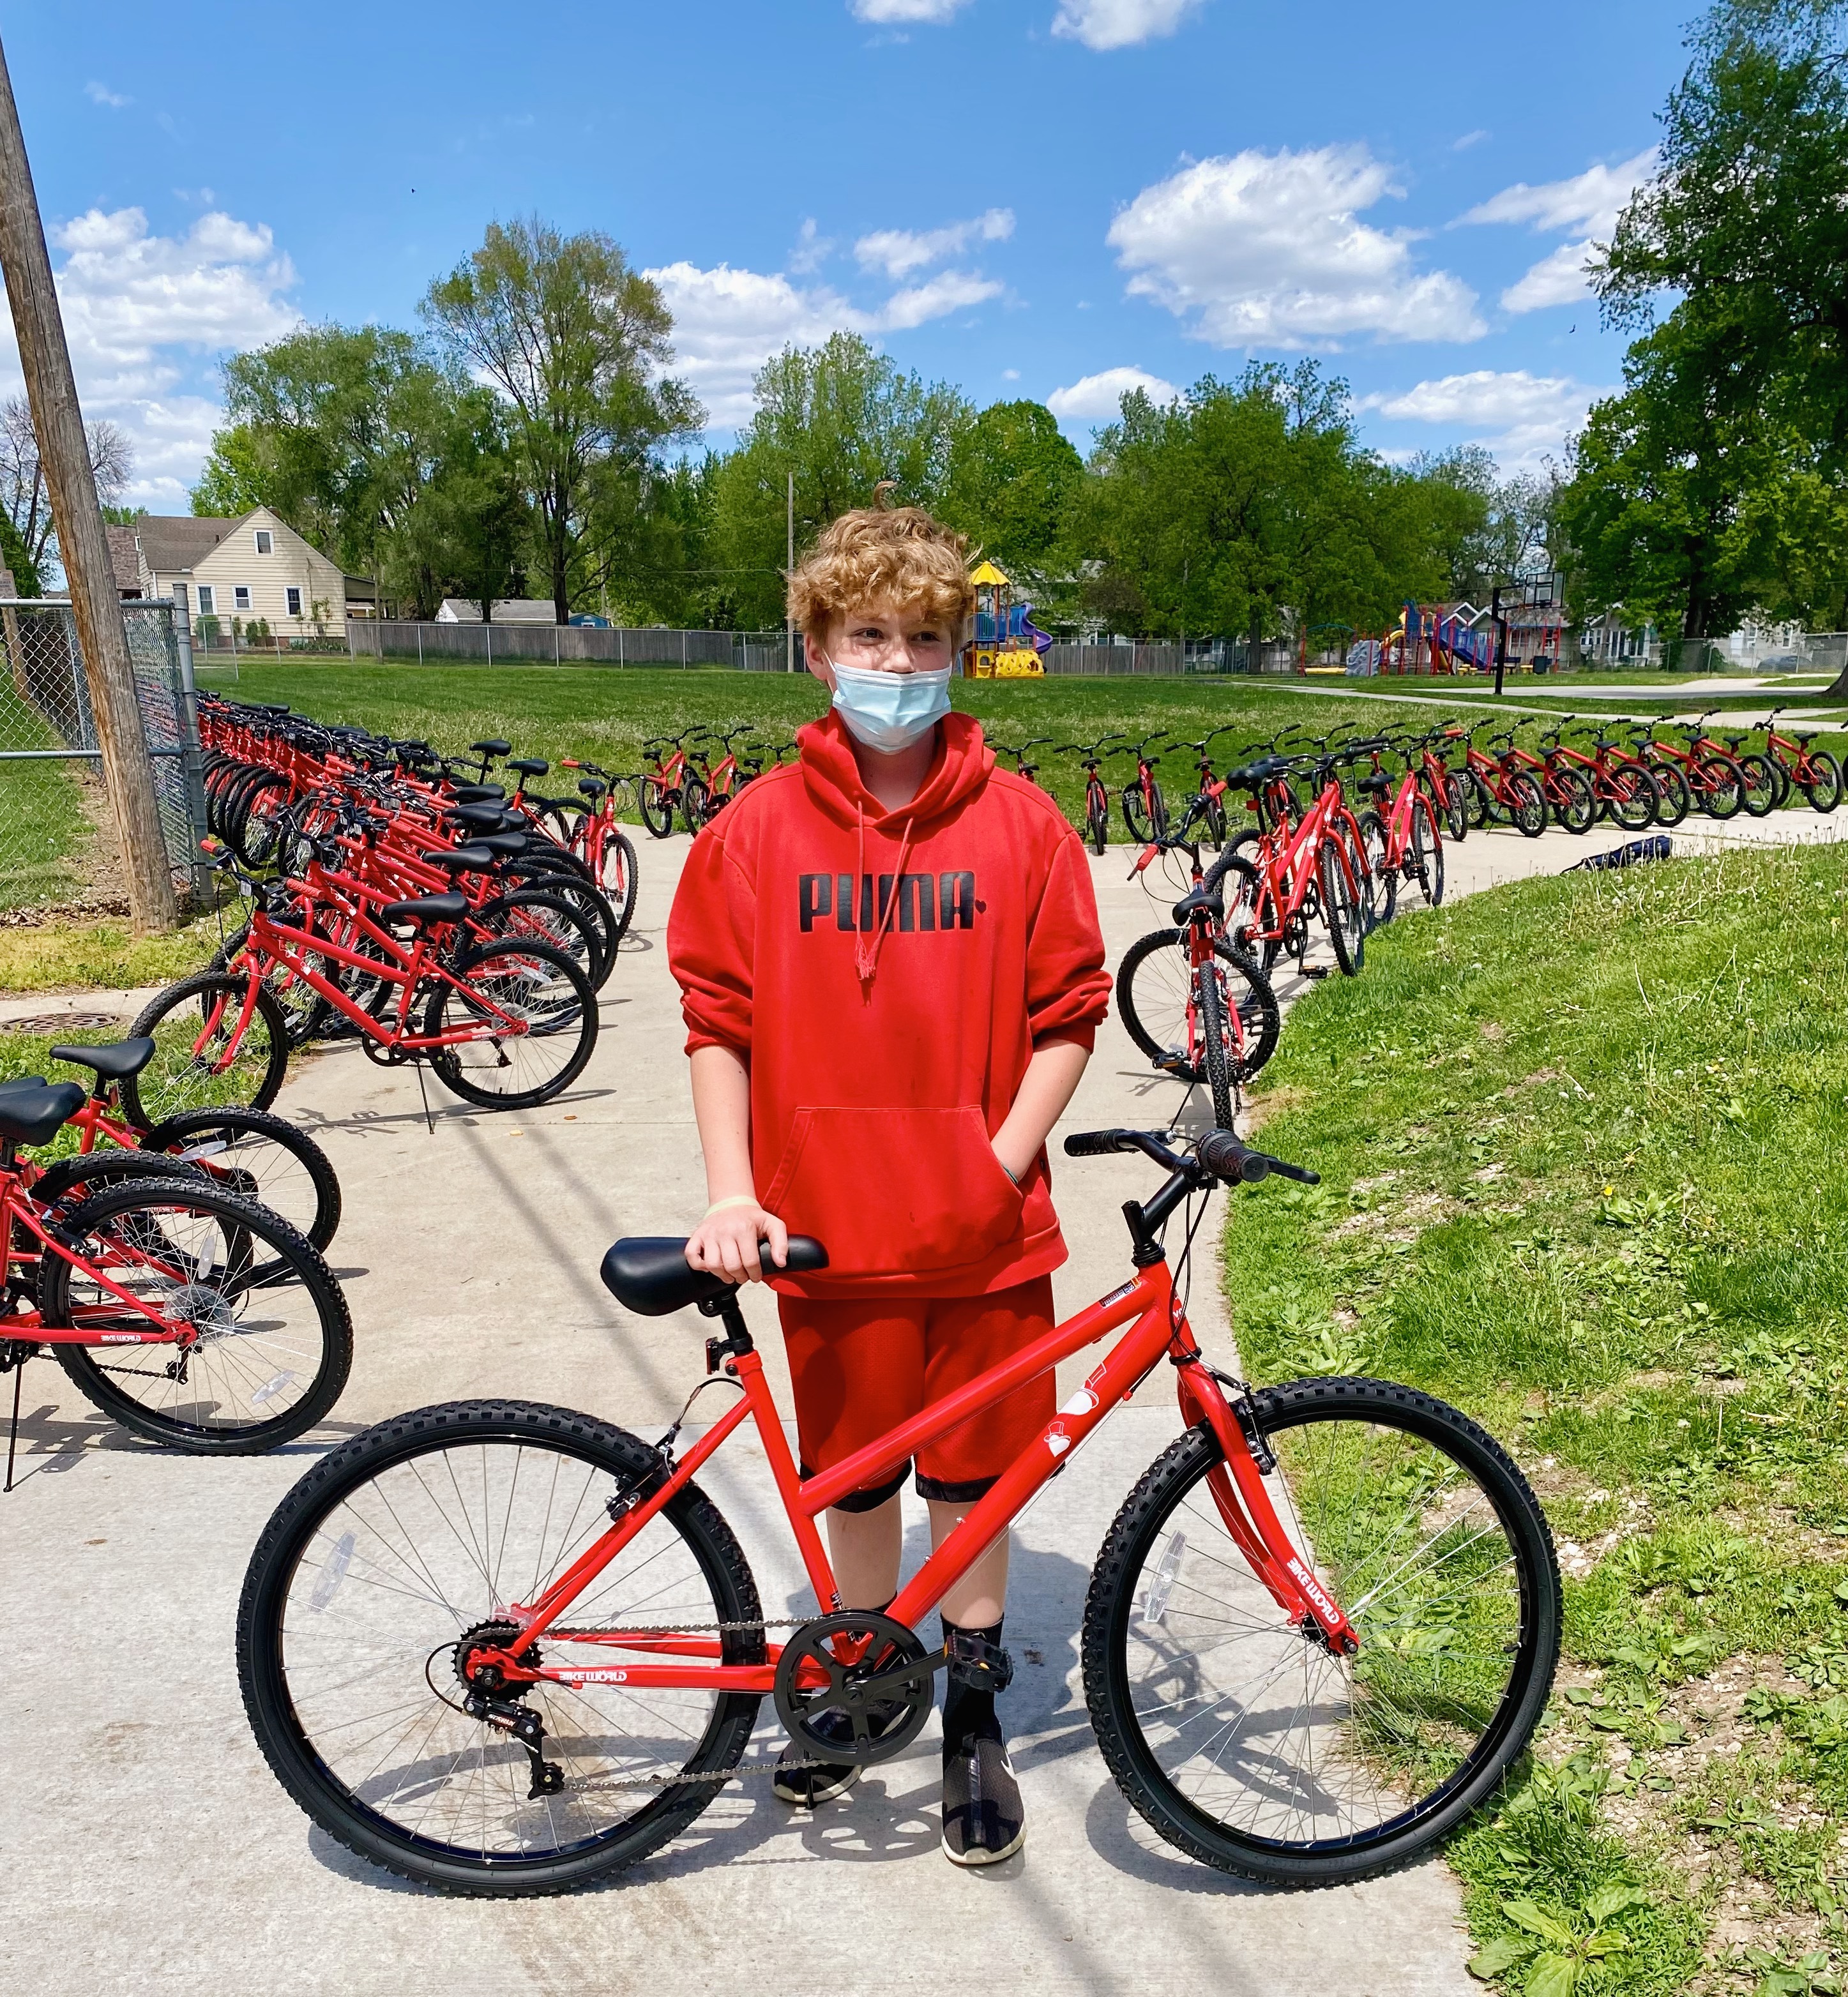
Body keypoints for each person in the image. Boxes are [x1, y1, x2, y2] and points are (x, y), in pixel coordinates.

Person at [666, 504, 1109, 1866]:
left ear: (960, 651)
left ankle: (971, 1702)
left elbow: (1068, 1013)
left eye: (925, 637)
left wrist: (997, 1162)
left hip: (980, 1234)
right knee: (853, 1481)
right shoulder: (756, 832)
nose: (898, 662)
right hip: (823, 1240)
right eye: (870, 635)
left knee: (975, 1480)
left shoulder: (1024, 828)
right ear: (815, 648)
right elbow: (715, 1021)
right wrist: (736, 1192)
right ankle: (861, 1673)